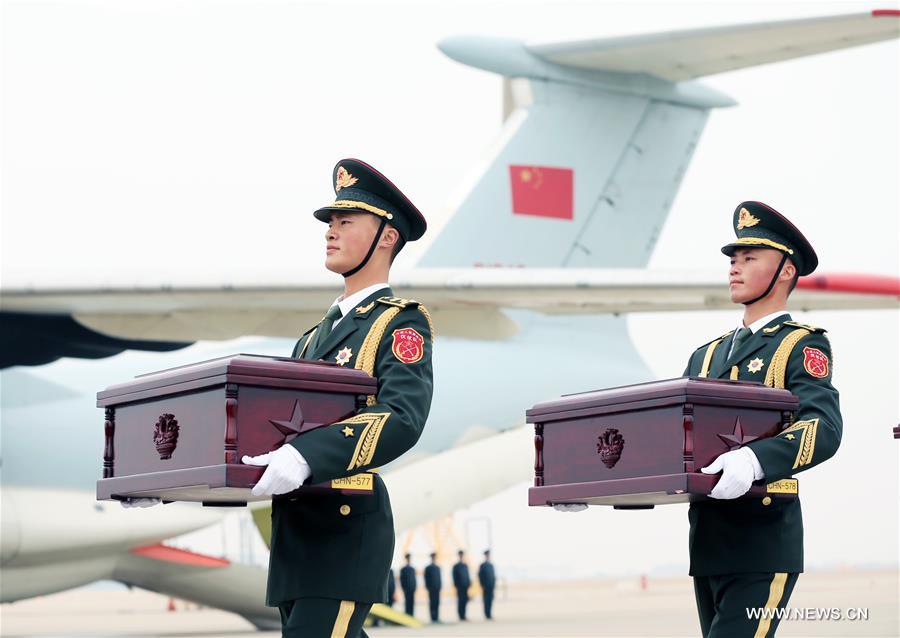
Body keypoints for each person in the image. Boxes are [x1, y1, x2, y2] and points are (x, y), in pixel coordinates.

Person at [242, 159, 435, 638]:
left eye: (346, 222)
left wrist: (307, 456)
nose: (330, 232)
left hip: (345, 529)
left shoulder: (398, 322)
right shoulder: (310, 339)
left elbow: (402, 416)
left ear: (386, 236)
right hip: (297, 537)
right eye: (330, 223)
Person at [682, 201, 842, 637]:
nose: (735, 268)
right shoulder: (706, 355)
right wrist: (602, 485)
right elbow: (672, 439)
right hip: (709, 540)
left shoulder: (799, 346)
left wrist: (754, 460)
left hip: (763, 538)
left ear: (786, 270)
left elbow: (823, 429)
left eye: (750, 258)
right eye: (733, 259)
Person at [451, 550, 471, 621]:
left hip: (466, 586)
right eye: (460, 555)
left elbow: (467, 575)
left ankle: (464, 615)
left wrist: (469, 584)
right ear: (458, 556)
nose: (461, 556)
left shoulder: (465, 565)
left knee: (465, 601)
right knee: (460, 601)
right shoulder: (456, 566)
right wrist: (456, 585)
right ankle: (460, 615)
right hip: (460, 587)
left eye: (462, 555)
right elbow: (454, 577)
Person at [424, 552, 442, 623]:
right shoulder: (428, 568)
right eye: (433, 557)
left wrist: (440, 586)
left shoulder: (438, 567)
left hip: (437, 588)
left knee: (437, 603)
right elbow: (426, 579)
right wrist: (428, 587)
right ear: (431, 558)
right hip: (431, 589)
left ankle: (437, 617)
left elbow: (439, 578)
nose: (434, 558)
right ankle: (432, 618)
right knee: (432, 603)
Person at [478, 549, 496, 620]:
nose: (488, 556)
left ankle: (489, 614)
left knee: (490, 600)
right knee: (486, 601)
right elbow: (480, 576)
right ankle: (486, 614)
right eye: (487, 555)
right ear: (485, 556)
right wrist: (482, 585)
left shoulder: (491, 565)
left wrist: (493, 584)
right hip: (485, 586)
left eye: (489, 555)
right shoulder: (482, 565)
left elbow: (493, 576)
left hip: (491, 586)